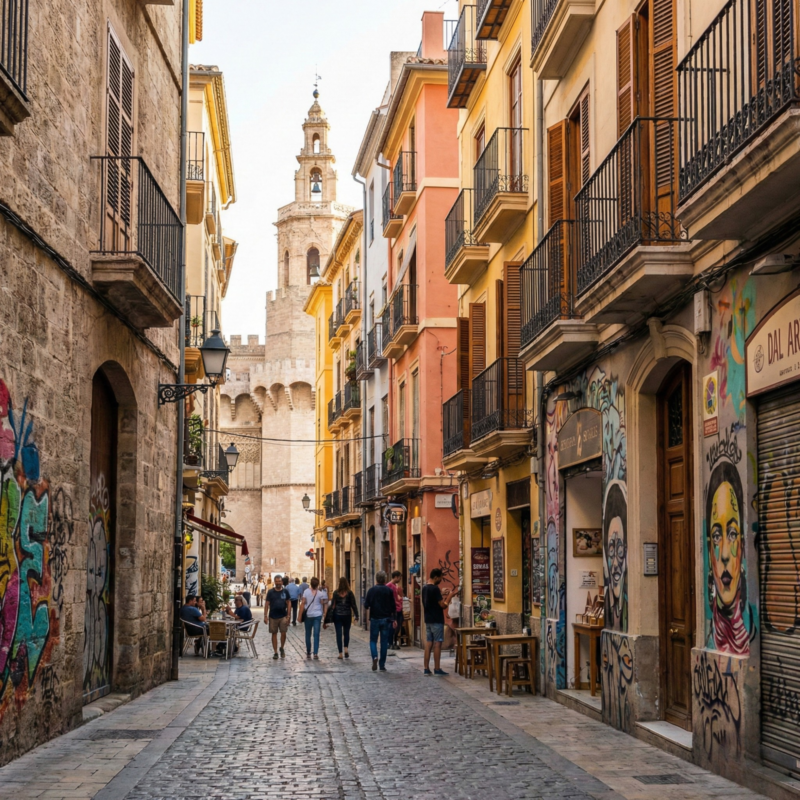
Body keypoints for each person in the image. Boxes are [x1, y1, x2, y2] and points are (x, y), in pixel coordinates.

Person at [422, 568, 456, 676]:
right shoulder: (435, 589)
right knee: (437, 643)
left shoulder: (425, 587)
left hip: (428, 619)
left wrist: (441, 593)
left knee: (429, 643)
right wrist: (450, 596)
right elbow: (442, 605)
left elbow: (431, 598)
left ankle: (426, 668)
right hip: (437, 619)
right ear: (436, 577)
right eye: (440, 578)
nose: (441, 580)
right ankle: (437, 668)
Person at [364, 572, 396, 672]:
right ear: (385, 579)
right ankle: (382, 665)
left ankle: (374, 657)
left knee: (373, 640)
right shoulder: (389, 591)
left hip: (374, 619)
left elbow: (366, 605)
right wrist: (394, 619)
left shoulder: (371, 590)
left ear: (376, 579)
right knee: (384, 642)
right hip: (386, 619)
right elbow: (393, 606)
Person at [324, 577, 359, 659]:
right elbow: (353, 605)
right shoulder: (350, 593)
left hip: (337, 615)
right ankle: (346, 649)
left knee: (338, 634)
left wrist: (327, 618)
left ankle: (340, 653)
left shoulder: (336, 593)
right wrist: (356, 615)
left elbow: (333, 605)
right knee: (346, 633)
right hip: (347, 615)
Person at [298, 576, 326, 659]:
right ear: (317, 585)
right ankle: (316, 653)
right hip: (317, 615)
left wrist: (299, 616)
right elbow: (322, 603)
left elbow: (303, 603)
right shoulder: (320, 593)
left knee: (308, 634)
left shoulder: (306, 592)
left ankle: (308, 652)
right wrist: (324, 614)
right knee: (316, 634)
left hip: (308, 615)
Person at [264, 575, 291, 660]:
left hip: (283, 615)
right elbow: (267, 604)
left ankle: (282, 647)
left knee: (283, 632)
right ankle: (275, 652)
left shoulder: (285, 591)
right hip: (273, 616)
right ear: (274, 582)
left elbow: (289, 603)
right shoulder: (271, 592)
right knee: (274, 633)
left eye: (279, 581)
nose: (278, 583)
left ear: (282, 582)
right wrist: (265, 615)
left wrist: (288, 615)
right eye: (277, 581)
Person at [389, 570, 404, 650]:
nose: (400, 579)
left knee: (398, 625)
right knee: (395, 626)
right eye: (400, 577)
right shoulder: (390, 586)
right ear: (396, 577)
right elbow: (395, 599)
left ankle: (393, 642)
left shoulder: (395, 586)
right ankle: (391, 643)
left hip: (397, 608)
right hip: (395, 609)